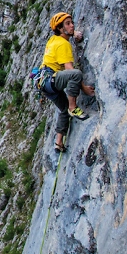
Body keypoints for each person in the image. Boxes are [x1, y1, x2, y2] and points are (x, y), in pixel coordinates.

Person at [39, 12, 95, 152]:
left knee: (62, 110)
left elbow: (63, 34)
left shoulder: (53, 39)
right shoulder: (63, 45)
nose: (72, 25)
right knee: (76, 74)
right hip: (51, 79)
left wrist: (74, 33)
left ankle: (58, 143)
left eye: (72, 22)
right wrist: (85, 89)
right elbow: (70, 71)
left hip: (43, 83)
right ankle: (73, 107)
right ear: (60, 28)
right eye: (68, 24)